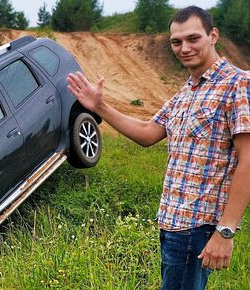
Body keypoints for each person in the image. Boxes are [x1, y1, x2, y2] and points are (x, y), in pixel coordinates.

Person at [66, 6, 249, 290]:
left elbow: (248, 159)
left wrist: (225, 232)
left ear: (213, 35)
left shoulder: (238, 84)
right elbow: (147, 132)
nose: (184, 48)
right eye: (176, 42)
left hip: (197, 227)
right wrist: (100, 106)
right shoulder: (186, 92)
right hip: (172, 223)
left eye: (193, 38)